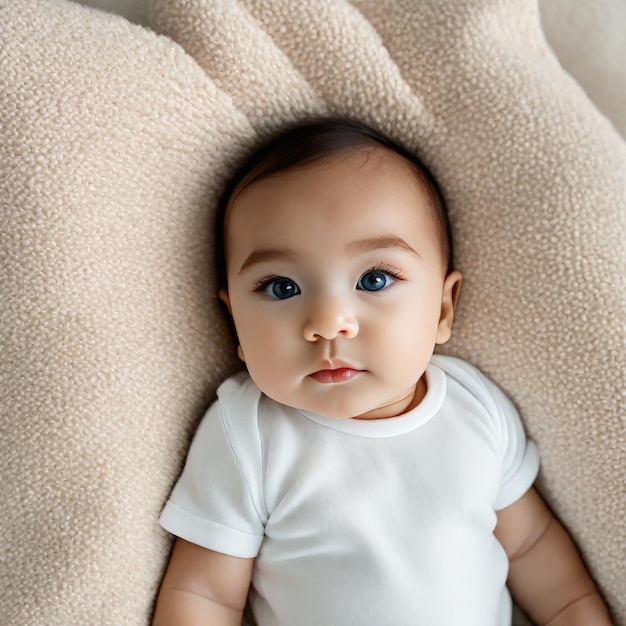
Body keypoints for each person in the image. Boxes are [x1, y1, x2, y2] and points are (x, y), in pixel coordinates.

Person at [152, 119, 612, 625]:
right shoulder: (248, 433)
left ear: (442, 309)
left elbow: (532, 547)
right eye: (282, 287)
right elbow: (205, 595)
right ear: (235, 321)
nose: (328, 323)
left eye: (374, 279)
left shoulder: (474, 407)